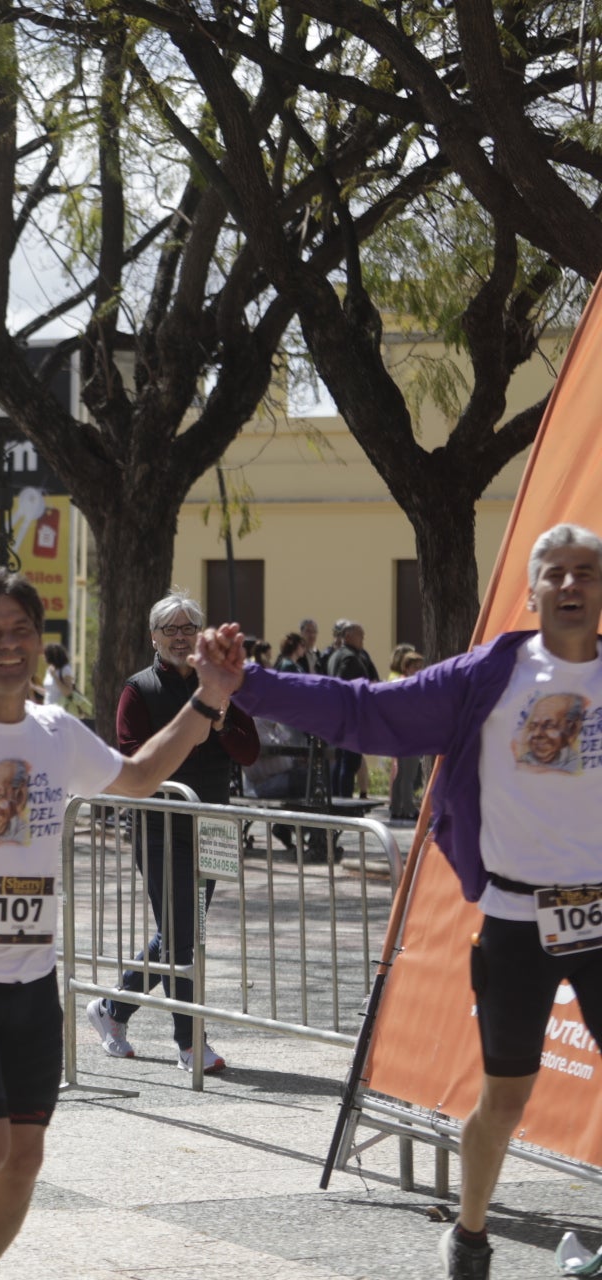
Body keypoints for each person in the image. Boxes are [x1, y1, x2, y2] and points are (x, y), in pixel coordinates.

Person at [204, 523, 602, 1280]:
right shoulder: (492, 675)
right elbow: (367, 710)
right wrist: (250, 682)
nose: (572, 586)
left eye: (587, 572)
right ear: (532, 589)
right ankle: (471, 1233)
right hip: (517, 920)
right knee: (505, 1100)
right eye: (556, 573)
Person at [0, 570, 244, 1280]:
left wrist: (210, 698)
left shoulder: (56, 733)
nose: (8, 646)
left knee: (23, 1160)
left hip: (30, 979)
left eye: (20, 631)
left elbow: (139, 776)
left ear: (39, 643)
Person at [85, 592, 258, 1072]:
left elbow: (250, 752)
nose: (180, 637)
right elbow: (130, 756)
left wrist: (220, 722)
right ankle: (190, 1043)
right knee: (184, 936)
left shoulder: (220, 685)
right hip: (160, 827)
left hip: (213, 827)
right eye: (171, 629)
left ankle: (112, 1009)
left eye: (188, 628)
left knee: (185, 935)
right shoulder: (138, 689)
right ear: (154, 638)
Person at [324, 620, 381, 798]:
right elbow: (346, 686)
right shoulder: (349, 657)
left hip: (340, 716)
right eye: (360, 635)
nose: (363, 639)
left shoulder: (337, 655)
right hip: (350, 716)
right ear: (348, 636)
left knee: (342, 760)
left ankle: (336, 800)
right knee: (349, 763)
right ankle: (344, 802)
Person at [388, 648, 428, 819]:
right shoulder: (410, 685)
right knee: (408, 774)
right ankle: (408, 808)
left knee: (401, 773)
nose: (418, 670)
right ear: (406, 667)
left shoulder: (397, 683)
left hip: (399, 732)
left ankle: (396, 807)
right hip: (409, 732)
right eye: (415, 667)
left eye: (420, 666)